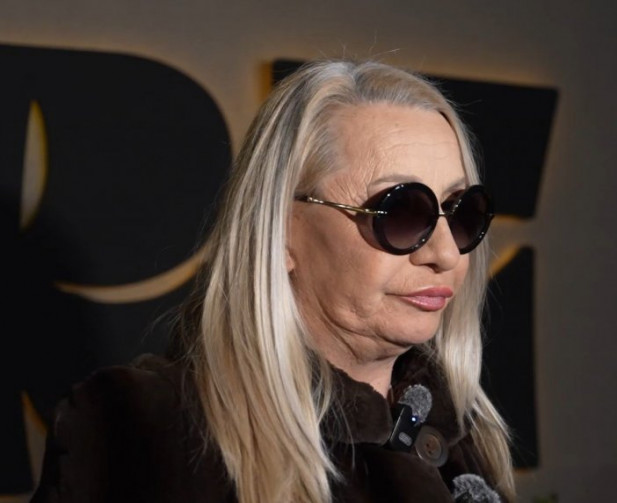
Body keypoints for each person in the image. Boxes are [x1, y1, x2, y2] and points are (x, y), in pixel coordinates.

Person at [30, 58, 516, 503]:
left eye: (461, 212)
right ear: (280, 228)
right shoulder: (145, 433)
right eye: (402, 211)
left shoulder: (467, 437)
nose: (446, 254)